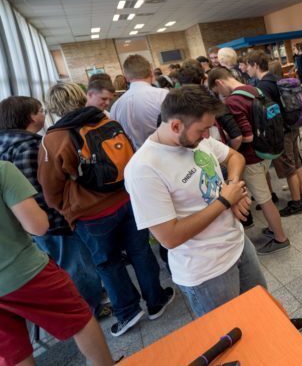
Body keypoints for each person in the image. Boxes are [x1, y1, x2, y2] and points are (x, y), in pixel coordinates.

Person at [124, 86, 275, 319]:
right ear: (176, 126)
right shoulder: (143, 169)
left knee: (263, 312)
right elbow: (169, 237)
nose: (207, 136)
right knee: (232, 330)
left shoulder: (196, 140)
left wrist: (231, 185)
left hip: (238, 245)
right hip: (206, 271)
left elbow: (235, 157)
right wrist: (225, 200)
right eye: (202, 129)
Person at [38, 82, 173, 337]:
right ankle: (156, 300)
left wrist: (66, 208)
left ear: (53, 107)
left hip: (90, 215)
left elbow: (50, 187)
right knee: (140, 252)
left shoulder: (53, 139)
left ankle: (127, 312)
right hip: (127, 200)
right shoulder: (106, 120)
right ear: (82, 97)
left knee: (107, 263)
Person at [0, 161, 114, 366]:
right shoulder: (3, 170)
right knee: (78, 320)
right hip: (25, 272)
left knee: (13, 353)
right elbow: (38, 226)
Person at [0, 96, 103, 315]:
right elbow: (40, 192)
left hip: (31, 226)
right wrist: (64, 213)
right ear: (30, 117)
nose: (44, 114)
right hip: (54, 223)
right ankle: (91, 309)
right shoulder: (29, 147)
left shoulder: (6, 144)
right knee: (78, 267)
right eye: (40, 111)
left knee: (67, 265)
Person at [207, 67, 292, 255]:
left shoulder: (233, 101)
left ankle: (280, 238)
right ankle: (273, 227)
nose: (220, 95)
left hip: (252, 158)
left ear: (219, 83)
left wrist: (230, 151)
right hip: (267, 151)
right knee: (266, 193)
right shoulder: (254, 90)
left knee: (264, 200)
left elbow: (245, 136)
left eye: (217, 91)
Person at [246, 50, 302, 217]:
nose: (246, 69)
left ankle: (296, 203)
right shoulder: (276, 79)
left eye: (248, 66)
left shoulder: (263, 86)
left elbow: (269, 112)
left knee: (289, 169)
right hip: (292, 126)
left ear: (255, 65)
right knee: (297, 163)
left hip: (282, 131)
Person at [110, 54, 168, 149]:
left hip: (133, 155)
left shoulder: (116, 106)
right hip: (164, 151)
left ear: (126, 78)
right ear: (151, 73)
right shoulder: (163, 95)